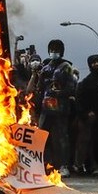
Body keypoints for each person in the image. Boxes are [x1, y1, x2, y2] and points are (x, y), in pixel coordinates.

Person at [31, 39, 76, 177]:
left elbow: (71, 88)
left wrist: (59, 93)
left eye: (57, 49)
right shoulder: (45, 68)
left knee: (61, 137)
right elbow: (38, 88)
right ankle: (42, 164)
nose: (54, 51)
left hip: (60, 108)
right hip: (46, 108)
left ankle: (63, 166)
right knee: (42, 137)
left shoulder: (66, 67)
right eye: (52, 49)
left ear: (61, 51)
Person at [74, 54, 98, 175]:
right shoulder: (86, 82)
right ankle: (89, 166)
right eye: (93, 62)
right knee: (88, 142)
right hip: (90, 118)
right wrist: (86, 113)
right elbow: (80, 100)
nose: (96, 64)